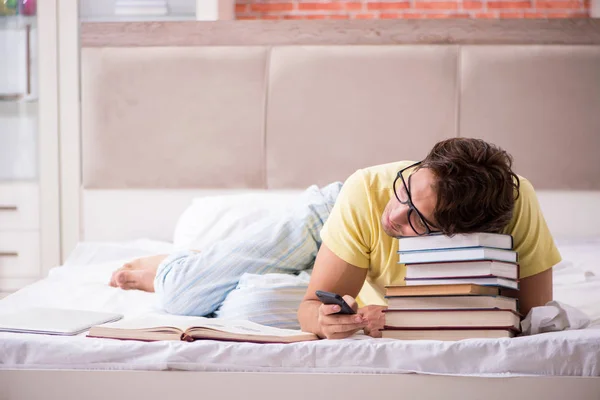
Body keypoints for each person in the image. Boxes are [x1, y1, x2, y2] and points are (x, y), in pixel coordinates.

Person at [110, 138, 561, 339]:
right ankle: (185, 261)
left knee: (251, 310)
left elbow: (532, 314)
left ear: (460, 234)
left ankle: (226, 267)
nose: (395, 213)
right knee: (180, 295)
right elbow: (311, 306)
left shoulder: (517, 208)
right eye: (405, 187)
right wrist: (318, 318)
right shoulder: (371, 193)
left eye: (417, 222)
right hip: (334, 213)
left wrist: (405, 318)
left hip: (362, 268)